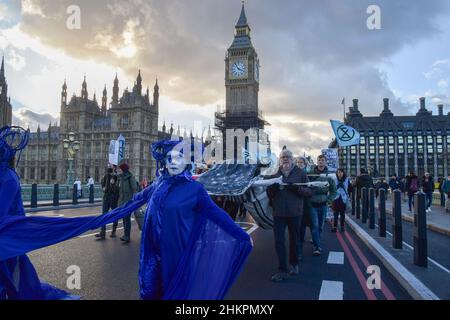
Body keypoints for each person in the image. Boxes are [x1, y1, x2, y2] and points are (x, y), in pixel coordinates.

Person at [266, 149, 312, 281]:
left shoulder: (300, 173)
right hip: (278, 212)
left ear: (292, 159)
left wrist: (298, 189)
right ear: (280, 159)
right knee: (279, 241)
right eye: (283, 157)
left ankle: (294, 263)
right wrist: (272, 190)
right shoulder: (274, 173)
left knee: (295, 240)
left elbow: (309, 191)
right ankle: (282, 269)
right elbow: (268, 193)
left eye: (288, 157)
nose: (285, 158)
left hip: (295, 212)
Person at [308, 154, 337, 256]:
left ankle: (315, 239)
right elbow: (306, 187)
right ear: (317, 161)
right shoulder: (310, 174)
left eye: (323, 160)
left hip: (323, 204)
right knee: (315, 226)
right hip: (312, 203)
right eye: (319, 160)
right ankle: (317, 247)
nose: (321, 161)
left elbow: (334, 190)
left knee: (320, 226)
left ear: (325, 162)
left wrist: (329, 201)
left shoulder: (329, 176)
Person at [112, 163, 139, 243]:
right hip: (121, 201)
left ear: (124, 169)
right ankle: (125, 234)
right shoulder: (120, 177)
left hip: (128, 201)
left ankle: (127, 236)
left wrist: (134, 200)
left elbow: (135, 188)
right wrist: (114, 181)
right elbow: (117, 188)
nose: (120, 170)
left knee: (127, 219)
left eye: (121, 169)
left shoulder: (130, 177)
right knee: (124, 218)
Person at [95, 167, 120, 240]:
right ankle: (104, 232)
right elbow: (102, 184)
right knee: (105, 215)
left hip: (113, 198)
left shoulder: (116, 177)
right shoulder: (106, 177)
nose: (109, 174)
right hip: (106, 197)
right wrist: (103, 188)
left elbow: (118, 188)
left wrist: (113, 184)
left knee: (113, 214)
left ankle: (112, 231)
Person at [297, 157, 313, 246]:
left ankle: (313, 237)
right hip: (297, 201)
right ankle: (301, 239)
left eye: (301, 162)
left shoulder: (309, 174)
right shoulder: (293, 174)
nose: (300, 164)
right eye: (298, 162)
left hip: (307, 201)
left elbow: (310, 189)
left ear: (305, 164)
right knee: (301, 222)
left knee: (310, 220)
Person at [331, 168, 352, 232]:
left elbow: (350, 188)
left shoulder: (346, 180)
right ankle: (335, 227)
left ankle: (342, 227)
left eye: (341, 172)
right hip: (336, 198)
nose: (339, 173)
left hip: (343, 198)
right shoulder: (334, 180)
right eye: (338, 172)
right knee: (335, 214)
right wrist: (337, 186)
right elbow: (332, 188)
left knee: (342, 214)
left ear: (343, 173)